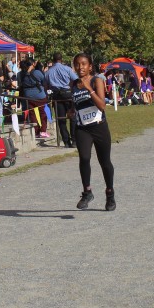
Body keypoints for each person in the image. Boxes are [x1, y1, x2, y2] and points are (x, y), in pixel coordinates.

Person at [70, 53, 115, 211]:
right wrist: (71, 111)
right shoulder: (73, 84)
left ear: (90, 66)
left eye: (83, 64)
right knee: (84, 158)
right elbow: (75, 104)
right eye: (77, 64)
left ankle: (110, 193)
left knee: (105, 162)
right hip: (82, 128)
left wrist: (89, 89)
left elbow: (102, 106)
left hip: (99, 127)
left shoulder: (97, 80)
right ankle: (87, 192)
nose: (80, 67)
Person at [43, 52, 78, 147]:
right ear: (61, 59)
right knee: (73, 117)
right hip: (67, 94)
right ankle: (74, 140)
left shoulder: (48, 72)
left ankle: (66, 141)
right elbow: (76, 80)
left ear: (53, 60)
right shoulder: (67, 69)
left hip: (56, 96)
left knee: (61, 119)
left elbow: (45, 86)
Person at [19, 58, 49, 137]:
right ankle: (43, 130)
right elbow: (44, 81)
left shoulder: (21, 74)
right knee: (43, 113)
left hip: (28, 96)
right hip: (39, 95)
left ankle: (36, 131)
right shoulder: (37, 72)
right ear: (33, 64)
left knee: (32, 114)